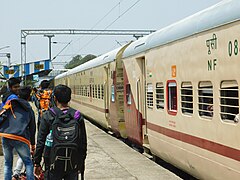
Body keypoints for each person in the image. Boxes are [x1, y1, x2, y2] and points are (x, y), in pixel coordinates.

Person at [34, 84, 87, 180]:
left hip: (52, 161)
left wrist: (37, 162)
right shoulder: (77, 116)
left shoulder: (48, 115)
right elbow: (83, 143)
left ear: (54, 98)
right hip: (73, 160)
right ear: (70, 98)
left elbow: (41, 141)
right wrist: (81, 162)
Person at [0, 86, 36, 180]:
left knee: (7, 163)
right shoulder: (29, 109)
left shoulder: (10, 104)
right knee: (28, 163)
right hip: (21, 137)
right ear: (29, 97)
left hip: (6, 135)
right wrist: (32, 145)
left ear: (18, 95)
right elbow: (32, 128)